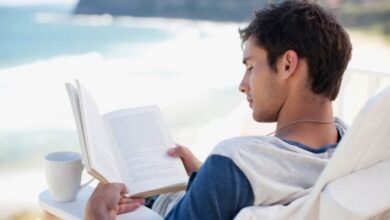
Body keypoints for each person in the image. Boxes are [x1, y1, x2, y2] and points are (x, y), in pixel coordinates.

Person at [85, 0, 352, 219]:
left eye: (250, 67)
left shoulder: (234, 162)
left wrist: (95, 213)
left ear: (287, 64)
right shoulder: (352, 151)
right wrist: (205, 177)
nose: (243, 85)